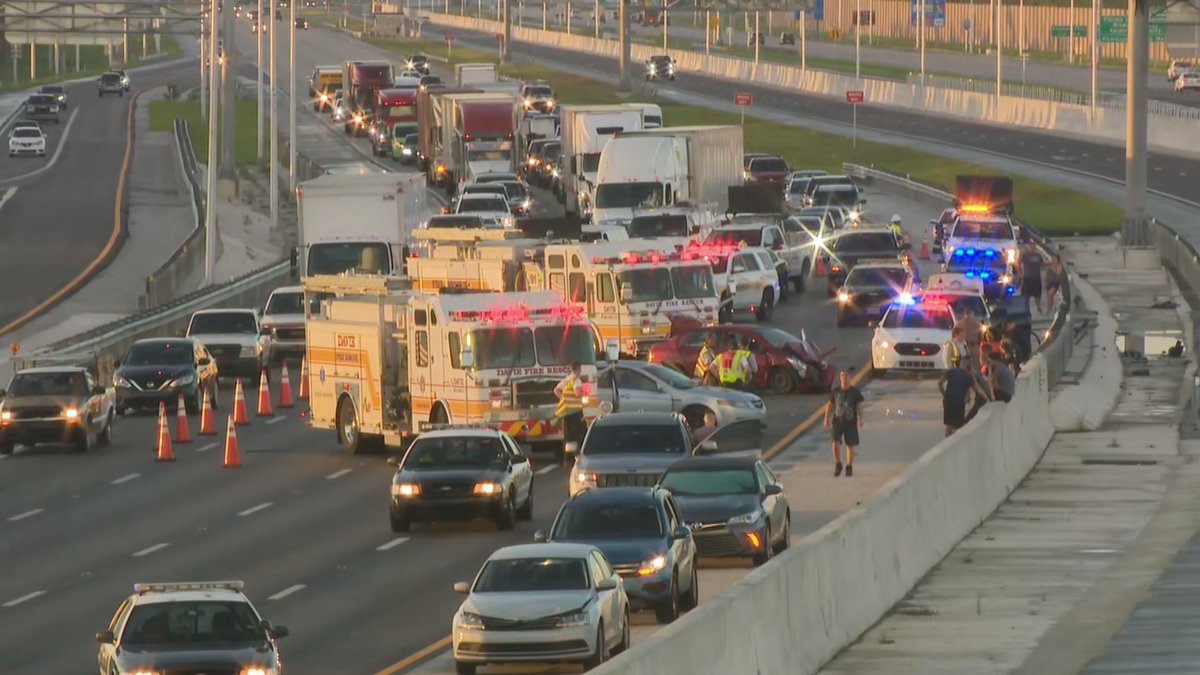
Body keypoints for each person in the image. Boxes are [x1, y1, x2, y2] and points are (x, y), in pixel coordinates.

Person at [823, 368, 864, 478]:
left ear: (850, 378)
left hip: (850, 422)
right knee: (835, 442)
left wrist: (860, 419)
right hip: (837, 421)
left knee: (850, 445)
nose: (843, 378)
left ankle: (849, 466)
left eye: (845, 376)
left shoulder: (855, 392)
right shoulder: (836, 392)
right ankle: (838, 464)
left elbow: (859, 406)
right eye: (841, 376)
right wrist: (826, 419)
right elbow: (829, 405)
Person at [939, 358, 988, 437]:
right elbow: (978, 389)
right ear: (968, 365)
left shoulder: (951, 371)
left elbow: (940, 382)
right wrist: (985, 397)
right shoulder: (968, 375)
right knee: (958, 425)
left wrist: (944, 394)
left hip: (948, 400)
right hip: (959, 402)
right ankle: (955, 441)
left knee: (949, 424)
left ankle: (947, 440)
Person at [554, 361, 587, 447]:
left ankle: (568, 449)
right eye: (580, 369)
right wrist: (585, 392)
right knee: (582, 430)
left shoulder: (567, 380)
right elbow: (577, 393)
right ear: (578, 369)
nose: (580, 371)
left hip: (567, 409)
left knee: (568, 431)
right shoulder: (576, 380)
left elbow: (556, 390)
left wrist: (563, 398)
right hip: (575, 410)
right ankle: (579, 450)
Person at [963, 355, 993, 424]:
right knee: (976, 408)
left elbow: (975, 386)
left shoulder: (971, 374)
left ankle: (965, 422)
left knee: (975, 410)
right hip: (983, 393)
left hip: (983, 394)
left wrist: (967, 398)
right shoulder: (975, 372)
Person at [1019, 240, 1044, 314]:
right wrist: (1020, 272)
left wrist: (1051, 264)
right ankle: (1025, 309)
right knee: (1025, 296)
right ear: (1028, 246)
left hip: (1037, 278)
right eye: (1030, 245)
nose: (1032, 247)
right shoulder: (1025, 255)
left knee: (1038, 295)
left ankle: (1038, 308)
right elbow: (1018, 263)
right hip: (1028, 278)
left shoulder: (1038, 256)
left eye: (1033, 245)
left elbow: (1042, 265)